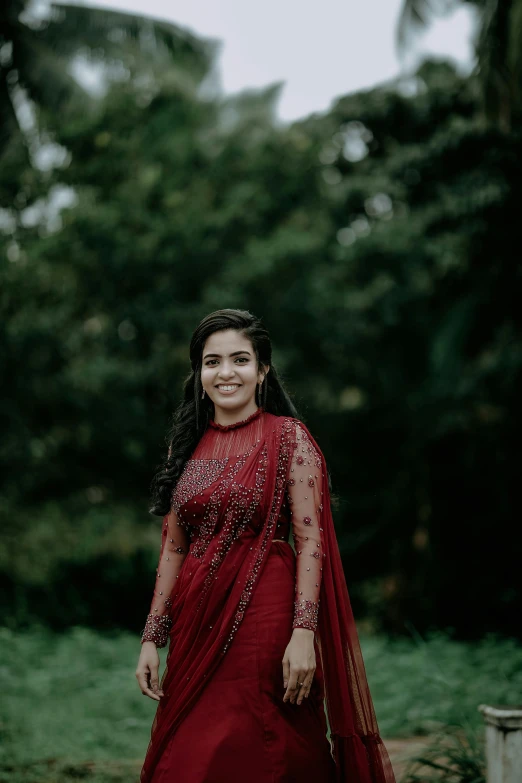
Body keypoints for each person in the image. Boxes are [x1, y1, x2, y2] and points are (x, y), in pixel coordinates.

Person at [136, 308, 396, 783]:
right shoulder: (186, 447)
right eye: (212, 362)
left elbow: (310, 540)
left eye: (240, 359)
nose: (226, 372)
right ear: (199, 374)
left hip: (265, 619)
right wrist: (153, 635)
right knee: (189, 755)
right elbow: (173, 548)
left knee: (263, 747)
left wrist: (303, 634)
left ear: (263, 371)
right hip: (195, 623)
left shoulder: (288, 438)